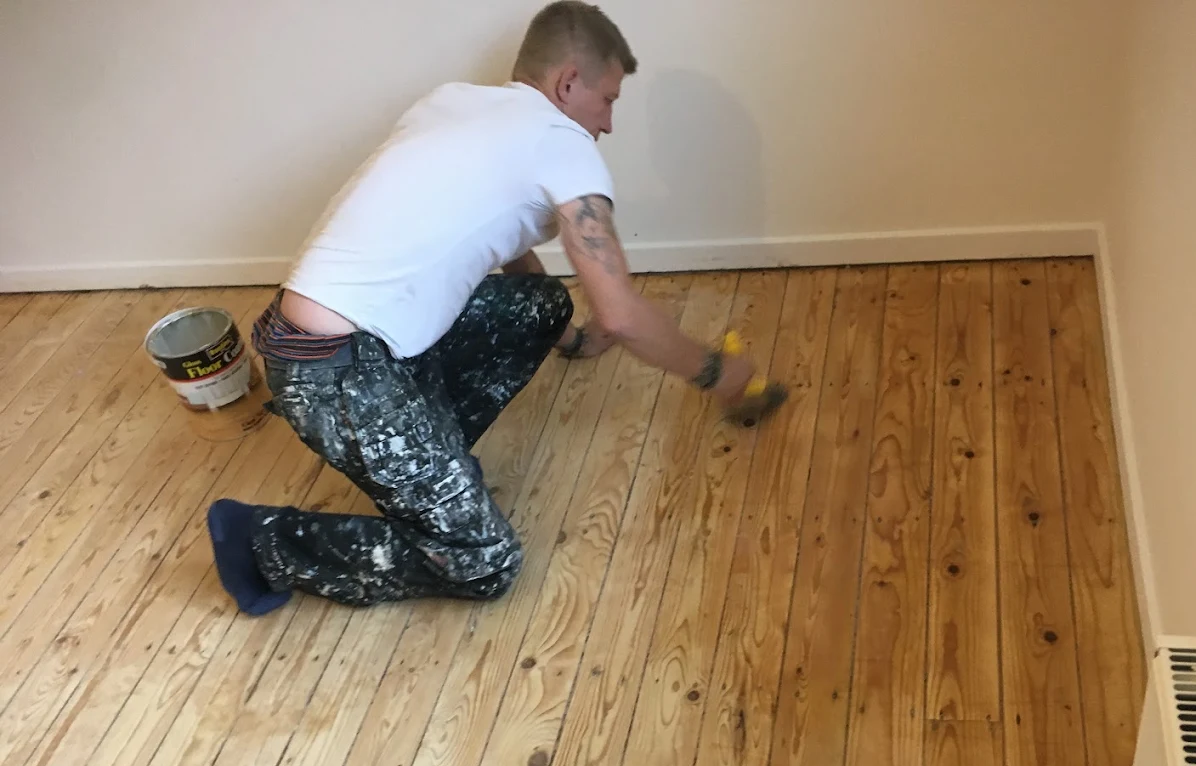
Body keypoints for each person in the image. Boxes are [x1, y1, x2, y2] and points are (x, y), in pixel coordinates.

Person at [207, 1, 786, 617]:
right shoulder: (564, 143)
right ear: (568, 82)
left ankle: (429, 472)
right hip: (332, 373)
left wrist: (570, 340)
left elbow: (497, 236)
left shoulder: (450, 102)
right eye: (609, 99)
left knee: (541, 303)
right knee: (484, 562)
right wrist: (717, 375)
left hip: (346, 341)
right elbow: (619, 313)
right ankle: (260, 542)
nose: (609, 122)